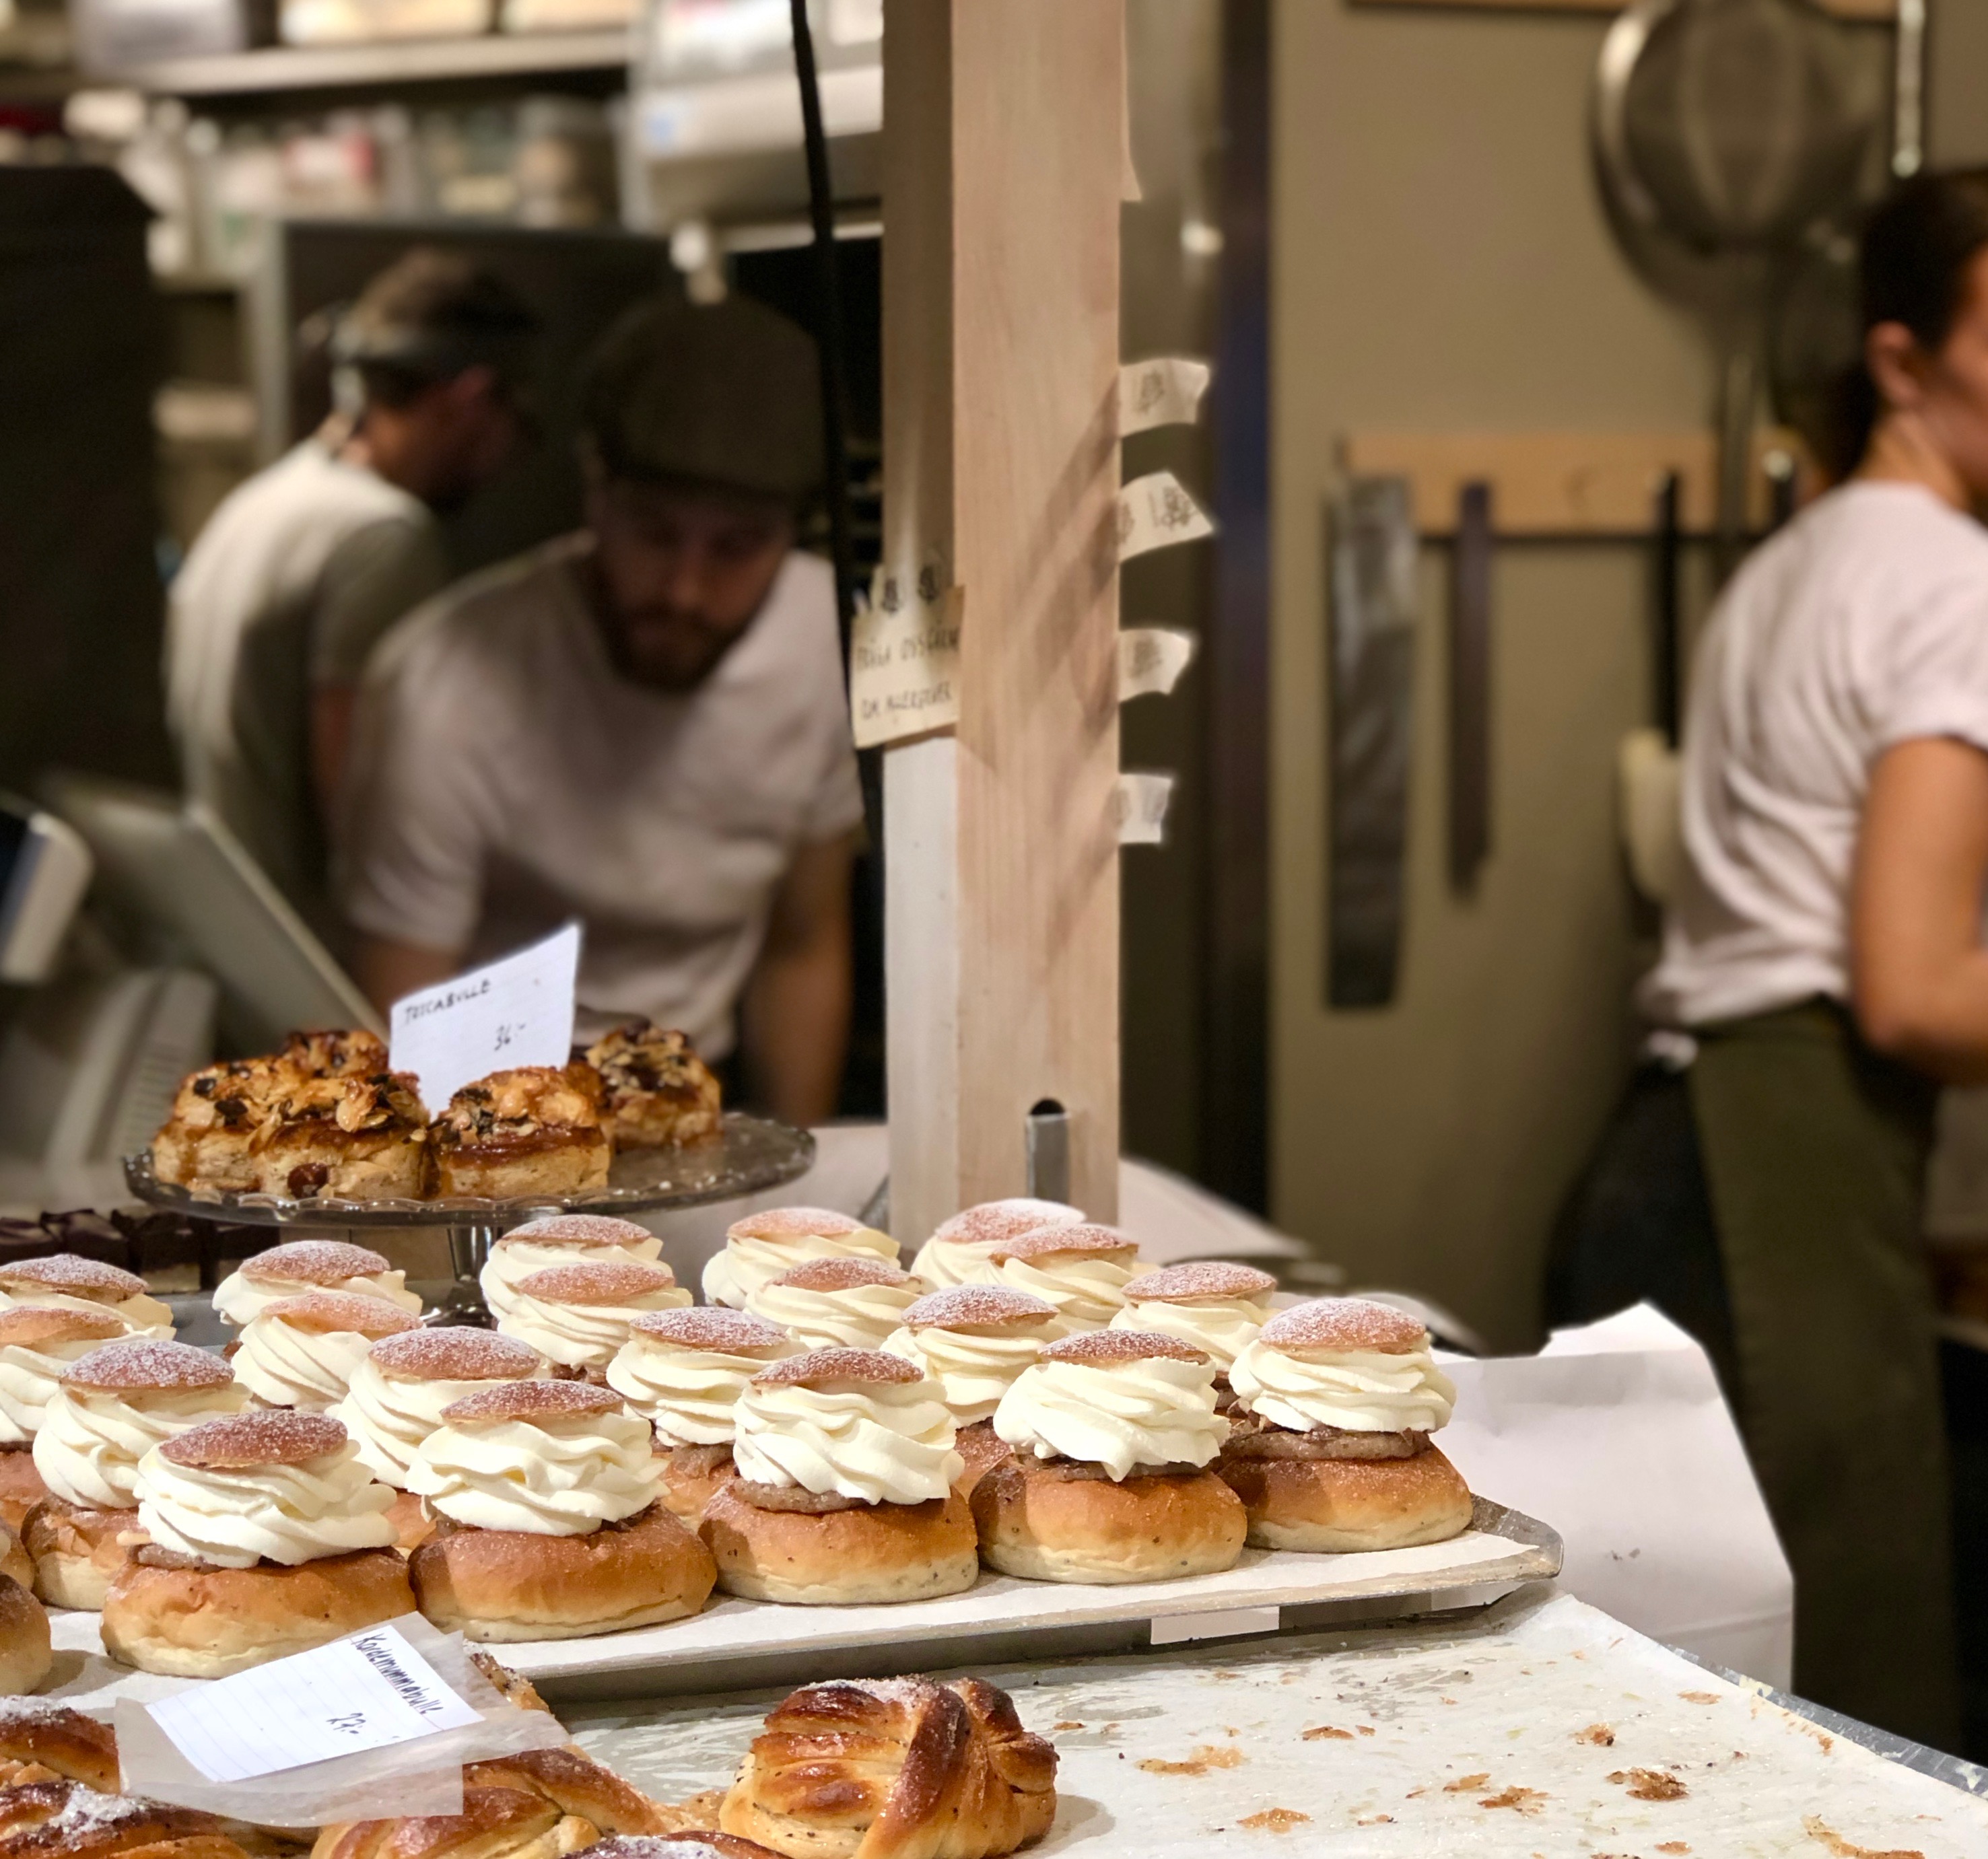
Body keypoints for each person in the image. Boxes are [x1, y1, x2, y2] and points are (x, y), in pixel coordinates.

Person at [1550, 170, 1988, 1751]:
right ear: (1895, 362)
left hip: (1662, 1153)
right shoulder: (1955, 584)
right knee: (1845, 1725)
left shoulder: (1786, 567)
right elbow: (1913, 986)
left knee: (1673, 1722)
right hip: (1776, 1173)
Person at [337, 294, 859, 1129]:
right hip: (490, 1110)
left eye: (735, 547)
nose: (687, 591)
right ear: (595, 492)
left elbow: (802, 944)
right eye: (655, 533)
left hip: (700, 1101)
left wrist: (804, 1184)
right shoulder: (445, 680)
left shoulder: (829, 650)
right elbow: (402, 1016)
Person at [164, 248, 535, 931]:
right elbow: (364, 802)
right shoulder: (384, 536)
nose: (507, 452)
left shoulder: (266, 498)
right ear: (473, 397)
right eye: (515, 418)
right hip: (316, 960)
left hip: (234, 938)